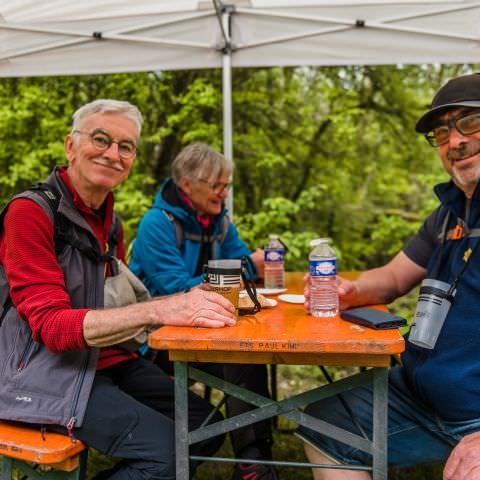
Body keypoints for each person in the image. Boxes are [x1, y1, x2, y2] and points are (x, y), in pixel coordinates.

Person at [0, 99, 237, 480]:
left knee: (207, 426)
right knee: (168, 454)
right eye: (101, 140)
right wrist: (162, 309)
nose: (113, 154)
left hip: (106, 360)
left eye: (125, 147)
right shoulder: (30, 212)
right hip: (42, 374)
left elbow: (112, 302)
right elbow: (53, 328)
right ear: (71, 146)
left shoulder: (112, 224)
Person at [298, 72, 480, 480]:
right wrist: (350, 291)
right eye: (442, 131)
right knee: (322, 423)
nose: (455, 141)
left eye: (469, 122)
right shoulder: (449, 212)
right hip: (419, 397)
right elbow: (395, 277)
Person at [130, 143, 278, 480]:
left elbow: (242, 267)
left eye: (226, 185)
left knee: (248, 350)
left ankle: (254, 460)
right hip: (155, 339)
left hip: (206, 325)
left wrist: (248, 267)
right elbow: (176, 290)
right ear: (186, 184)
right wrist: (244, 266)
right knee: (237, 352)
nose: (223, 194)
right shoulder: (156, 224)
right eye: (216, 186)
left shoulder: (220, 220)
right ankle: (250, 458)